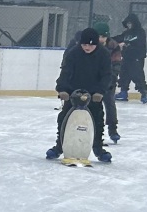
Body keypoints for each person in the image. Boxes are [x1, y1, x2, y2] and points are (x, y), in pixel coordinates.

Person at [46, 27, 114, 163]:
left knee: (97, 120)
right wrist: (62, 89)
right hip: (73, 92)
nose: (87, 47)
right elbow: (65, 72)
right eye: (84, 44)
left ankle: (98, 148)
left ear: (96, 44)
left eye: (91, 45)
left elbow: (107, 75)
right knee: (64, 119)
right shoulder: (73, 53)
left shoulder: (104, 54)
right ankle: (60, 146)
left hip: (94, 93)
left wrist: (100, 91)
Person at [93, 20, 122, 143]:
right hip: (93, 81)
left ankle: (113, 129)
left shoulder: (113, 46)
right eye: (98, 36)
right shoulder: (90, 45)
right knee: (93, 105)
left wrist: (112, 79)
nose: (101, 39)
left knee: (109, 103)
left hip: (108, 80)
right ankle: (93, 129)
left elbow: (116, 64)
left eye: (103, 36)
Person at [117, 13, 147, 104]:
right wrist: (108, 40)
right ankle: (123, 92)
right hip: (126, 57)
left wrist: (126, 43)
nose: (129, 25)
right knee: (124, 74)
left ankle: (144, 93)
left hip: (136, 58)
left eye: (130, 23)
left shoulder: (140, 32)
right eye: (127, 23)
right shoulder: (126, 33)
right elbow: (119, 38)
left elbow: (139, 42)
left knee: (137, 75)